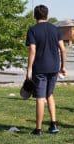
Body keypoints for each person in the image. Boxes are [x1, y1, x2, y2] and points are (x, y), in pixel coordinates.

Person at [26, 5, 67, 135]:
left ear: (35, 16)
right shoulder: (55, 29)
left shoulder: (32, 30)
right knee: (49, 94)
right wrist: (63, 66)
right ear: (47, 16)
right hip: (54, 67)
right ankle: (53, 125)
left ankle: (38, 129)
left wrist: (29, 69)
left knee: (40, 97)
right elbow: (63, 49)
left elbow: (32, 50)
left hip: (40, 68)